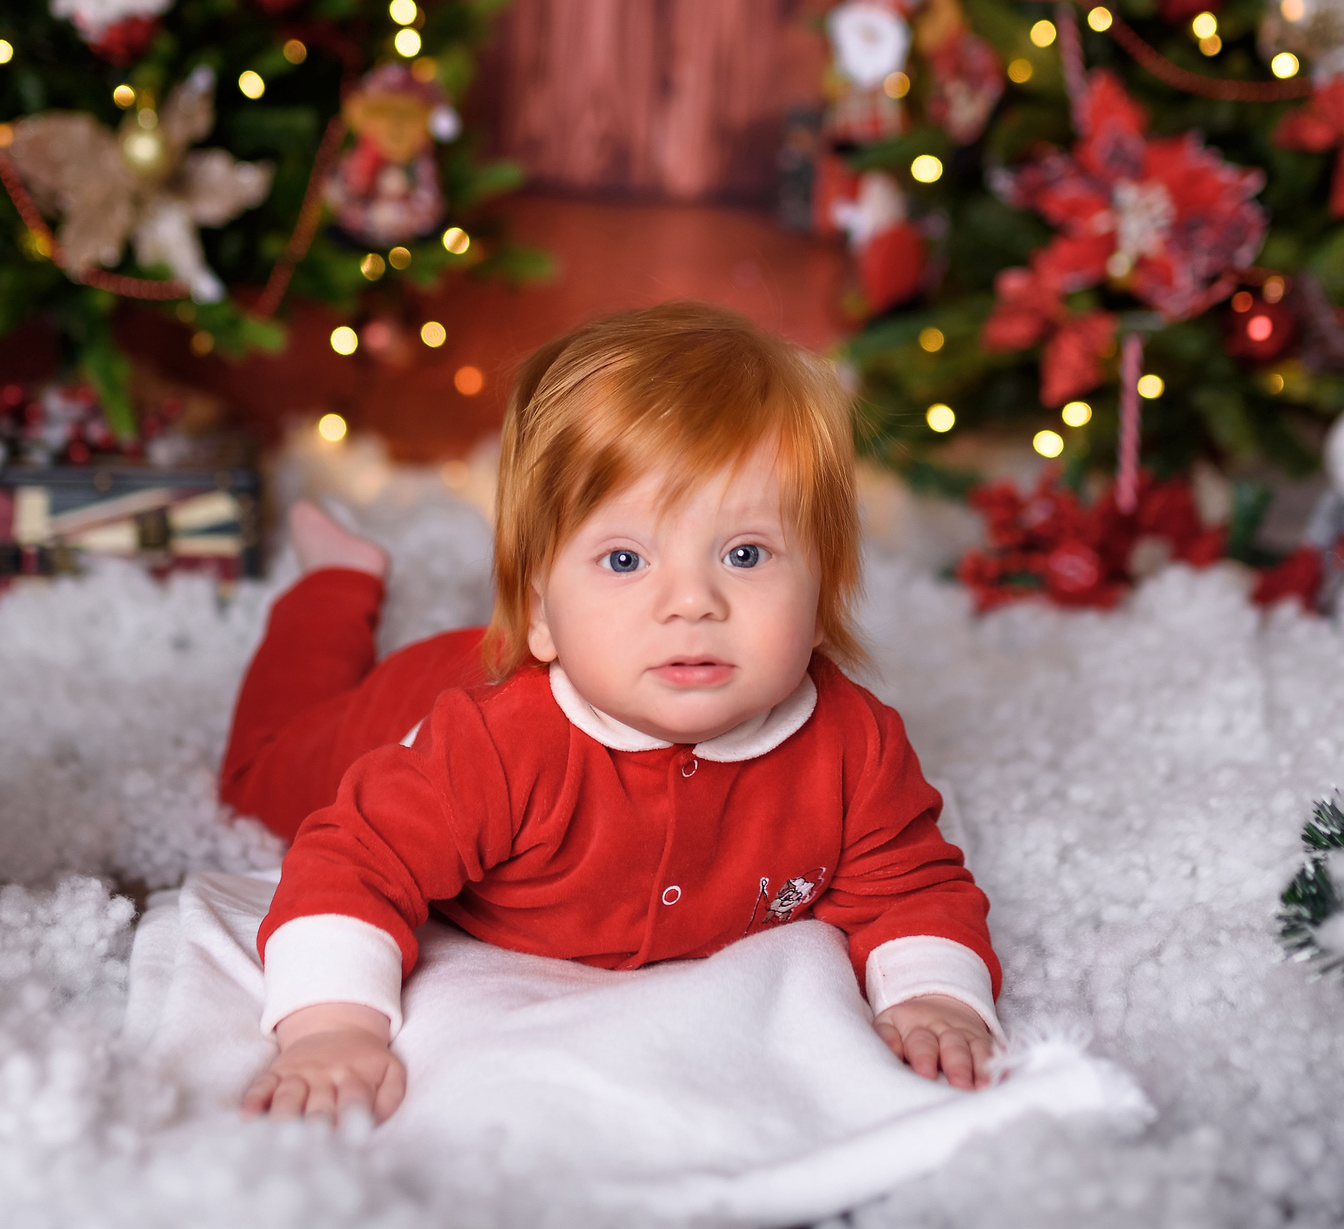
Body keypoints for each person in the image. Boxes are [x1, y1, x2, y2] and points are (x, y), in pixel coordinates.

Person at [218, 301, 1001, 1125]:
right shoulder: (492, 746)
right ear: (542, 613)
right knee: (255, 776)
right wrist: (335, 1024)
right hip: (407, 705)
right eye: (625, 558)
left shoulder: (853, 747)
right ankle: (335, 585)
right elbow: (355, 862)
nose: (692, 602)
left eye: (746, 553)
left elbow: (910, 883)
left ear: (823, 592)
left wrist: (936, 992)